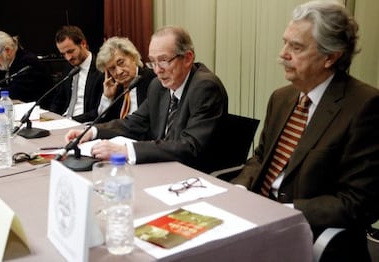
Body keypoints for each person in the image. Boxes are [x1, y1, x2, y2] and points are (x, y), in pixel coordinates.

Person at [230, 1, 379, 261]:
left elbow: (358, 202)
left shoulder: (365, 105)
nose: (283, 54)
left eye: (296, 47)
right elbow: (260, 157)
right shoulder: (282, 97)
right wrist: (240, 189)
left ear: (330, 56)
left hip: (308, 234)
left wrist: (283, 211)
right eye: (285, 42)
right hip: (256, 220)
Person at [64, 25, 228, 172]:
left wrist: (125, 150)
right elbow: (133, 122)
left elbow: (190, 147)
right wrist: (92, 132)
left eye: (163, 61)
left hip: (195, 175)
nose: (157, 70)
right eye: (153, 62)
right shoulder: (158, 86)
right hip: (162, 166)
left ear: (187, 58)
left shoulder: (205, 87)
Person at [0, 31, 53, 109]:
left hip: (41, 112)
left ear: (7, 50)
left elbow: (16, 93)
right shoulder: (10, 62)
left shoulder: (27, 62)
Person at [95, 36, 156, 123]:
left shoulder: (152, 80)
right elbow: (101, 120)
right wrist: (107, 98)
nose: (119, 72)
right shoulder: (115, 88)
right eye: (112, 68)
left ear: (133, 57)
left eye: (121, 63)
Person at [49, 25, 104, 123]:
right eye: (63, 54)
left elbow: (98, 110)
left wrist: (69, 121)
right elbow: (58, 100)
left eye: (70, 51)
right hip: (64, 121)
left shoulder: (100, 70)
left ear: (83, 43)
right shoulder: (68, 68)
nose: (68, 58)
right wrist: (50, 119)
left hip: (83, 123)